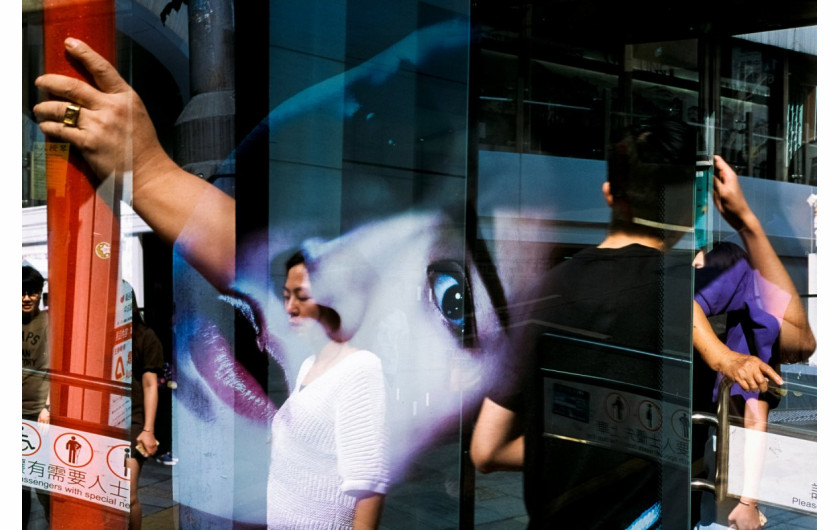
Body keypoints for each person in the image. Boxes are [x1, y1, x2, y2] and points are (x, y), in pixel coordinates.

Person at [691, 157, 816, 530]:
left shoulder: (746, 284)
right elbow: (757, 413)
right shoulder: (742, 275)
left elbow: (801, 346)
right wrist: (749, 502)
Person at [266, 251, 389, 528]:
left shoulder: (360, 368)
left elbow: (368, 488)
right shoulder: (309, 364)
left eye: (303, 296)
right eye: (287, 296)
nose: (290, 307)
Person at [126, 285, 165, 529]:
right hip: (102, 421)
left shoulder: (144, 336)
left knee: (127, 495)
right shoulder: (99, 333)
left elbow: (151, 385)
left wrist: (148, 429)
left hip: (133, 420)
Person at [22, 265, 51, 528]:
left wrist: (48, 407)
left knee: (43, 485)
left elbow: (60, 367)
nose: (26, 298)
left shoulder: (50, 322)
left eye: (32, 292)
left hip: (39, 415)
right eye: (21, 292)